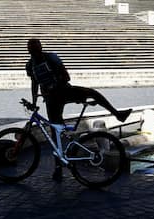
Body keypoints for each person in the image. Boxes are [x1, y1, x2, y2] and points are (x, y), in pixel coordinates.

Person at [26, 38, 132, 182]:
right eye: (32, 50)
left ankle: (118, 114)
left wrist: (54, 87)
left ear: (41, 48)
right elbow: (34, 83)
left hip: (63, 91)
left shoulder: (51, 58)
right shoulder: (30, 65)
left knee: (92, 93)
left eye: (36, 49)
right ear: (29, 51)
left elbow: (66, 76)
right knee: (55, 133)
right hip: (52, 100)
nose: (34, 53)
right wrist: (34, 102)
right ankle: (59, 167)